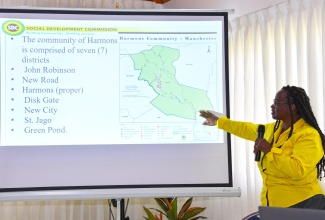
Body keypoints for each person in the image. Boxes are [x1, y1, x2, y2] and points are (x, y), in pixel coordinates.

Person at [200, 85, 325, 209]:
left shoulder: (308, 135)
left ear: (292, 107)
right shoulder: (274, 128)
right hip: (275, 204)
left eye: (276, 103)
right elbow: (246, 129)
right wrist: (220, 121)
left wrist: (270, 150)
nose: (272, 106)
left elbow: (298, 170)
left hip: (304, 203)